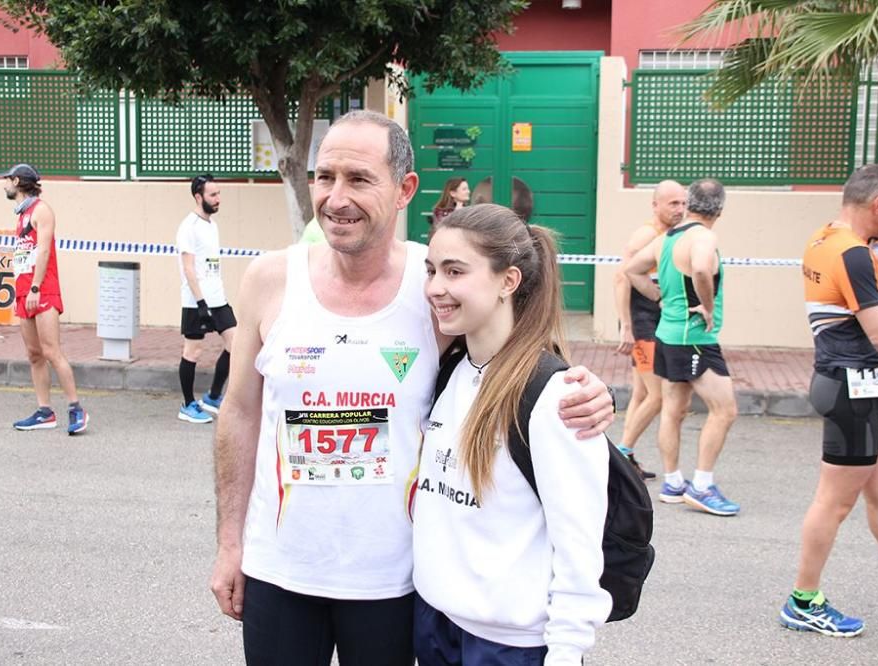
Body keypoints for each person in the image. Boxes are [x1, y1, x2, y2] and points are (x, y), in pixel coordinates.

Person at [208, 110, 615, 666]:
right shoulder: (269, 279)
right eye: (324, 177)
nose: (335, 197)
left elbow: (514, 354)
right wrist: (230, 542)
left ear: (404, 190)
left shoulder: (437, 281)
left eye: (358, 179)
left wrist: (588, 389)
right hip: (280, 569)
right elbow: (239, 414)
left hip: (394, 584)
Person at [414, 204, 611, 665]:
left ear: (509, 281)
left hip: (511, 645)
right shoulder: (449, 373)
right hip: (436, 623)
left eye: (455, 271)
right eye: (430, 271)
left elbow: (579, 544)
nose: (435, 288)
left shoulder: (556, 396)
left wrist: (566, 652)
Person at [779, 164, 878, 637]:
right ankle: (803, 599)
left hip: (863, 388)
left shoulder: (829, 239)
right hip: (851, 386)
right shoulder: (848, 253)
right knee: (833, 502)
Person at [625, 178, 739, 517]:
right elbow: (703, 267)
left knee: (674, 408)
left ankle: (674, 483)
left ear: (688, 204)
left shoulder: (668, 238)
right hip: (694, 339)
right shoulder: (703, 236)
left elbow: (631, 268)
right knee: (725, 410)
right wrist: (706, 305)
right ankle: (702, 486)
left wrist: (657, 295)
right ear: (719, 208)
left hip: (668, 333)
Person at [0, 164, 89, 435]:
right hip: (25, 290)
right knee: (34, 354)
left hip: (42, 290)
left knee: (51, 350)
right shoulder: (22, 213)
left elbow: (44, 250)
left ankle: (76, 409)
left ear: (17, 181)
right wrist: (24, 289)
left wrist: (36, 288)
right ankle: (44, 411)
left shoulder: (41, 210)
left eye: (7, 180)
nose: (4, 185)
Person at [613, 180, 686, 479]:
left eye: (683, 203)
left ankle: (626, 462)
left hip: (655, 321)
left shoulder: (671, 235)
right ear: (655, 205)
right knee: (658, 397)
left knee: (642, 394)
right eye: (673, 204)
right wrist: (626, 327)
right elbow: (620, 278)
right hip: (643, 324)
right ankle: (620, 453)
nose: (680, 209)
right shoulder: (647, 234)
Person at [176, 174, 236, 424]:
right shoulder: (188, 227)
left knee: (236, 344)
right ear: (198, 197)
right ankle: (188, 404)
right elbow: (189, 268)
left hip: (218, 297)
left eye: (219, 194)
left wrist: (214, 297)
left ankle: (212, 396)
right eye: (213, 195)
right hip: (195, 301)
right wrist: (201, 304)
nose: (218, 199)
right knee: (193, 350)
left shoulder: (212, 225)